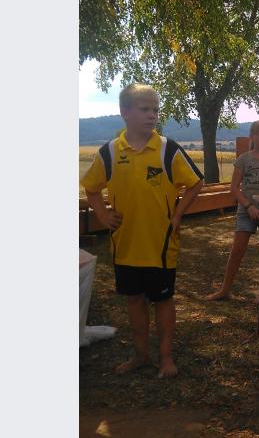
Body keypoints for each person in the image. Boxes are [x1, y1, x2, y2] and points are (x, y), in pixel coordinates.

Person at [81, 83, 204, 378]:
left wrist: (177, 215)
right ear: (125, 113)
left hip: (160, 246)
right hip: (125, 244)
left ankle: (165, 358)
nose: (152, 115)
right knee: (134, 300)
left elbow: (196, 182)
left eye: (156, 110)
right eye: (145, 109)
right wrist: (102, 215)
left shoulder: (167, 149)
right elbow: (92, 186)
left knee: (163, 300)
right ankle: (140, 355)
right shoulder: (110, 152)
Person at [205, 121, 259, 301]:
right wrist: (248, 206)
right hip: (245, 210)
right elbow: (234, 188)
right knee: (237, 250)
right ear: (252, 137)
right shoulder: (243, 159)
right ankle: (224, 290)